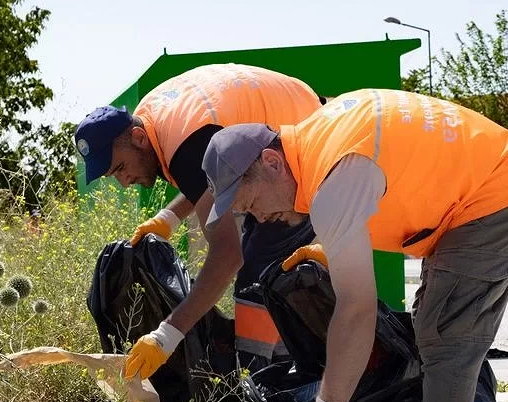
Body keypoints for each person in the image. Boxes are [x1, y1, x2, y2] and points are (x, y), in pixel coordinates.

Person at [199, 89, 508, 402]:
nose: (259, 217)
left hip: (498, 193)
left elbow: (357, 311)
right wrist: (334, 244)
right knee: (433, 329)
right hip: (486, 181)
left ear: (270, 162)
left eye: (249, 203)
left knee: (446, 337)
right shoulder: (316, 141)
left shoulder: (332, 179)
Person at [73, 64, 323, 374]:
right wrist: (169, 217)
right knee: (270, 279)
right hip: (292, 123)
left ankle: (259, 382)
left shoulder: (185, 141)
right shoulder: (153, 120)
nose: (124, 181)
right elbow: (205, 181)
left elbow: (228, 256)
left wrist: (167, 335)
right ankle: (290, 370)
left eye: (121, 167)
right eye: (115, 176)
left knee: (259, 276)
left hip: (307, 141)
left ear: (138, 138)